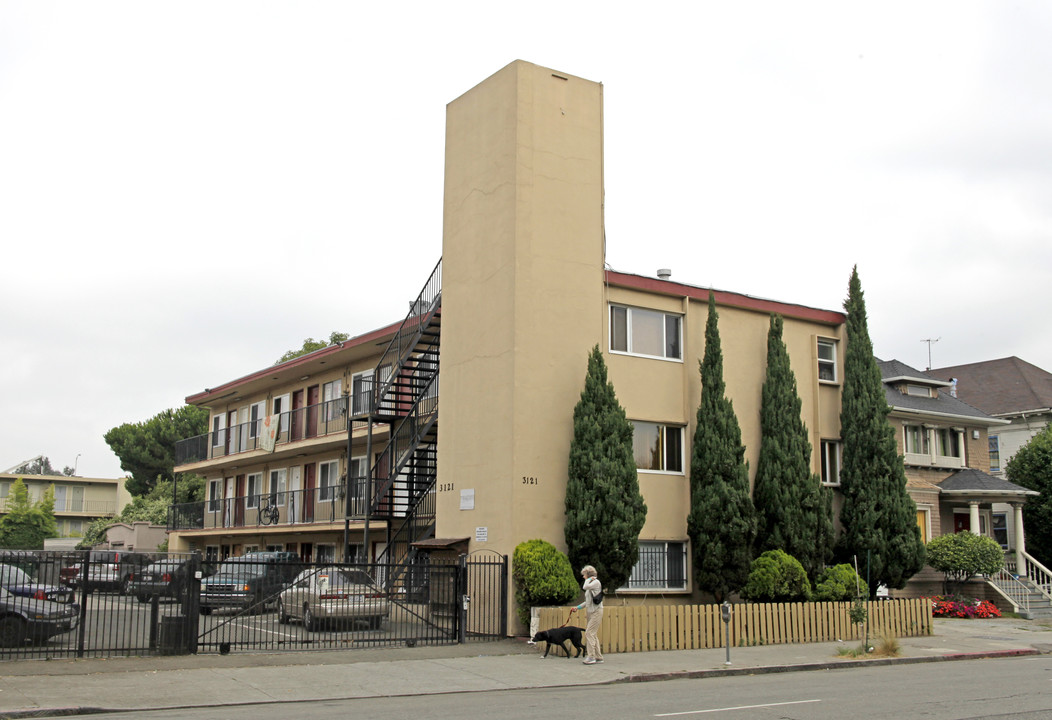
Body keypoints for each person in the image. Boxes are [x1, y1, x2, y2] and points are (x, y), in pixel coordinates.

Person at [571, 564, 604, 664]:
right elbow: (587, 601)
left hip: (597, 611)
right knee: (593, 634)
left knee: (589, 633)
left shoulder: (595, 582)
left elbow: (585, 586)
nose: (582, 576)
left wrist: (589, 579)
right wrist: (578, 607)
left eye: (584, 574)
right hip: (591, 611)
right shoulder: (591, 584)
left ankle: (591, 657)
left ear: (588, 574)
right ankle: (598, 657)